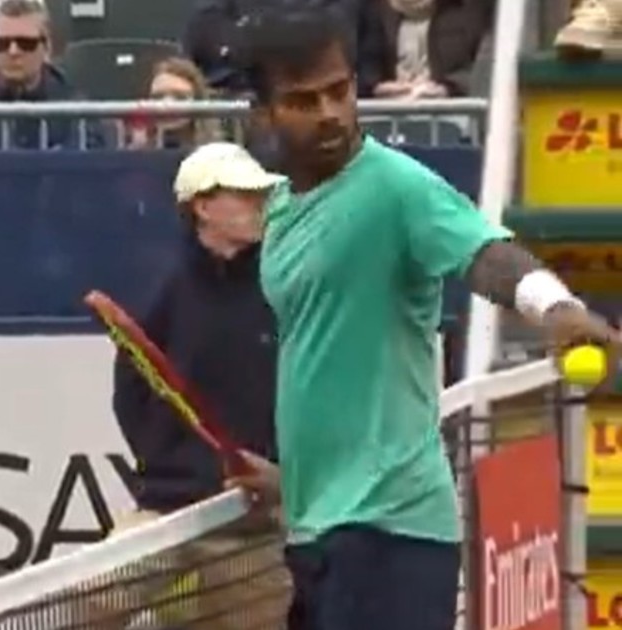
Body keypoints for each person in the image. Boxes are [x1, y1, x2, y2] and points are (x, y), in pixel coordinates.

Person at [223, 6, 622, 630]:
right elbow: (326, 359)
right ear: (263, 114)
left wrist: (556, 307)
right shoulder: (277, 211)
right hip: (318, 528)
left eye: (339, 91)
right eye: (303, 101)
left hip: (391, 535)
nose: (329, 112)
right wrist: (295, 480)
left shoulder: (396, 185)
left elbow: (484, 253)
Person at [109, 142, 289, 629]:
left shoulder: (285, 287)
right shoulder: (165, 289)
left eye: (261, 195)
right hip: (164, 514)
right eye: (243, 195)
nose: (258, 205)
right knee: (81, 604)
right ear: (203, 208)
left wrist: (278, 475)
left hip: (251, 522)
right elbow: (131, 386)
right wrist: (169, 462)